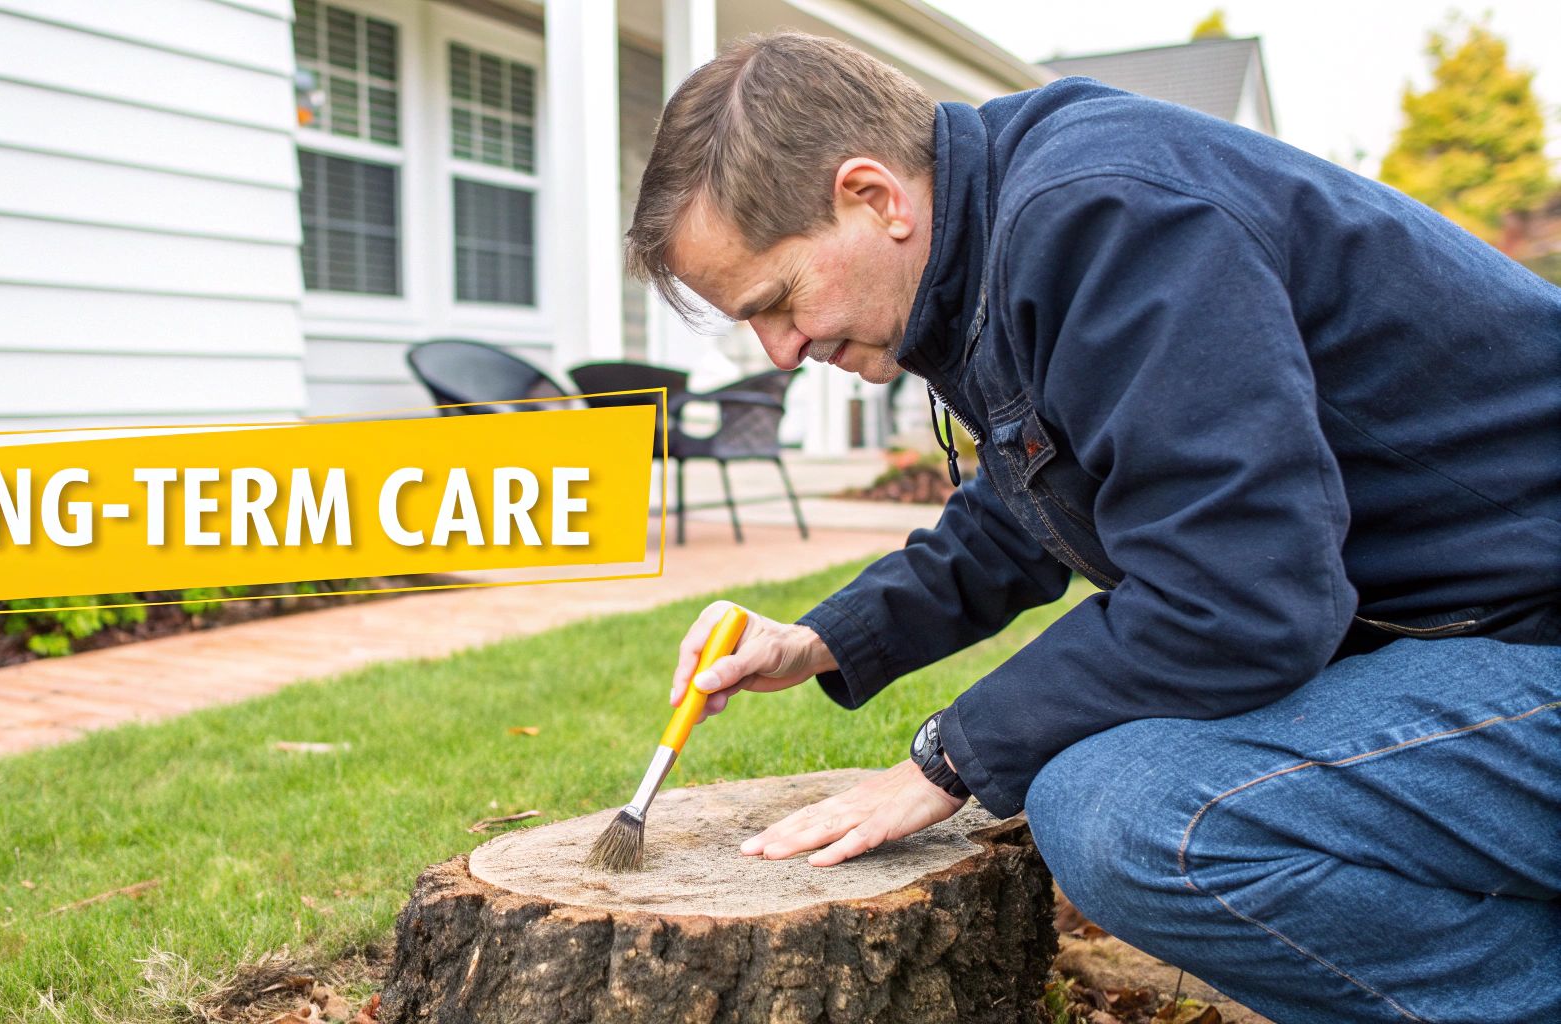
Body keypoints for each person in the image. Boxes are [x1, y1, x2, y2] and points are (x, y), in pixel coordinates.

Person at [626, 32, 1561, 1024]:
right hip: (1486, 630)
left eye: (774, 303)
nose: (778, 351)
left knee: (1131, 812)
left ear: (872, 198)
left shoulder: (1110, 219)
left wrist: (946, 757)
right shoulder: (998, 242)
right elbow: (1024, 508)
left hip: (1529, 633)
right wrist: (821, 639)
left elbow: (1238, 597)